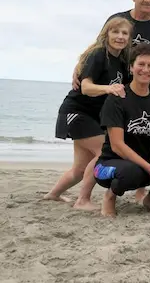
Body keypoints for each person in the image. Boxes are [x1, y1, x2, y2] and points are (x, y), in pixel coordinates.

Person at [72, 0, 150, 208]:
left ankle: (145, 195)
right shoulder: (118, 20)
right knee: (112, 147)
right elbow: (98, 47)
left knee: (144, 141)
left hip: (147, 94)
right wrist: (80, 67)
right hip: (120, 92)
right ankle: (90, 197)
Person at [44, 17, 132, 204]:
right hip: (76, 112)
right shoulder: (99, 54)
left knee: (80, 168)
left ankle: (53, 195)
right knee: (104, 153)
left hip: (91, 117)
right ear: (106, 34)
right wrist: (108, 88)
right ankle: (83, 200)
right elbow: (86, 87)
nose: (120, 36)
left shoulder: (122, 61)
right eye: (115, 32)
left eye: (124, 33)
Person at [93, 43, 150, 217]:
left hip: (144, 164)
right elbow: (117, 145)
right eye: (141, 64)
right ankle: (110, 197)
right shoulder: (117, 98)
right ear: (131, 67)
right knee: (129, 171)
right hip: (108, 165)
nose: (145, 70)